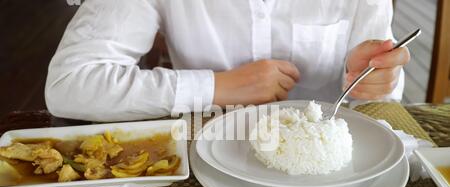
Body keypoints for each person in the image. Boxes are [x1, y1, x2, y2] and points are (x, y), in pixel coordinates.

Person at [45, 0, 410, 122]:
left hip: (333, 171)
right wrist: (215, 87)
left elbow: (381, 99)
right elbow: (71, 83)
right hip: (200, 165)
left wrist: (376, 82)